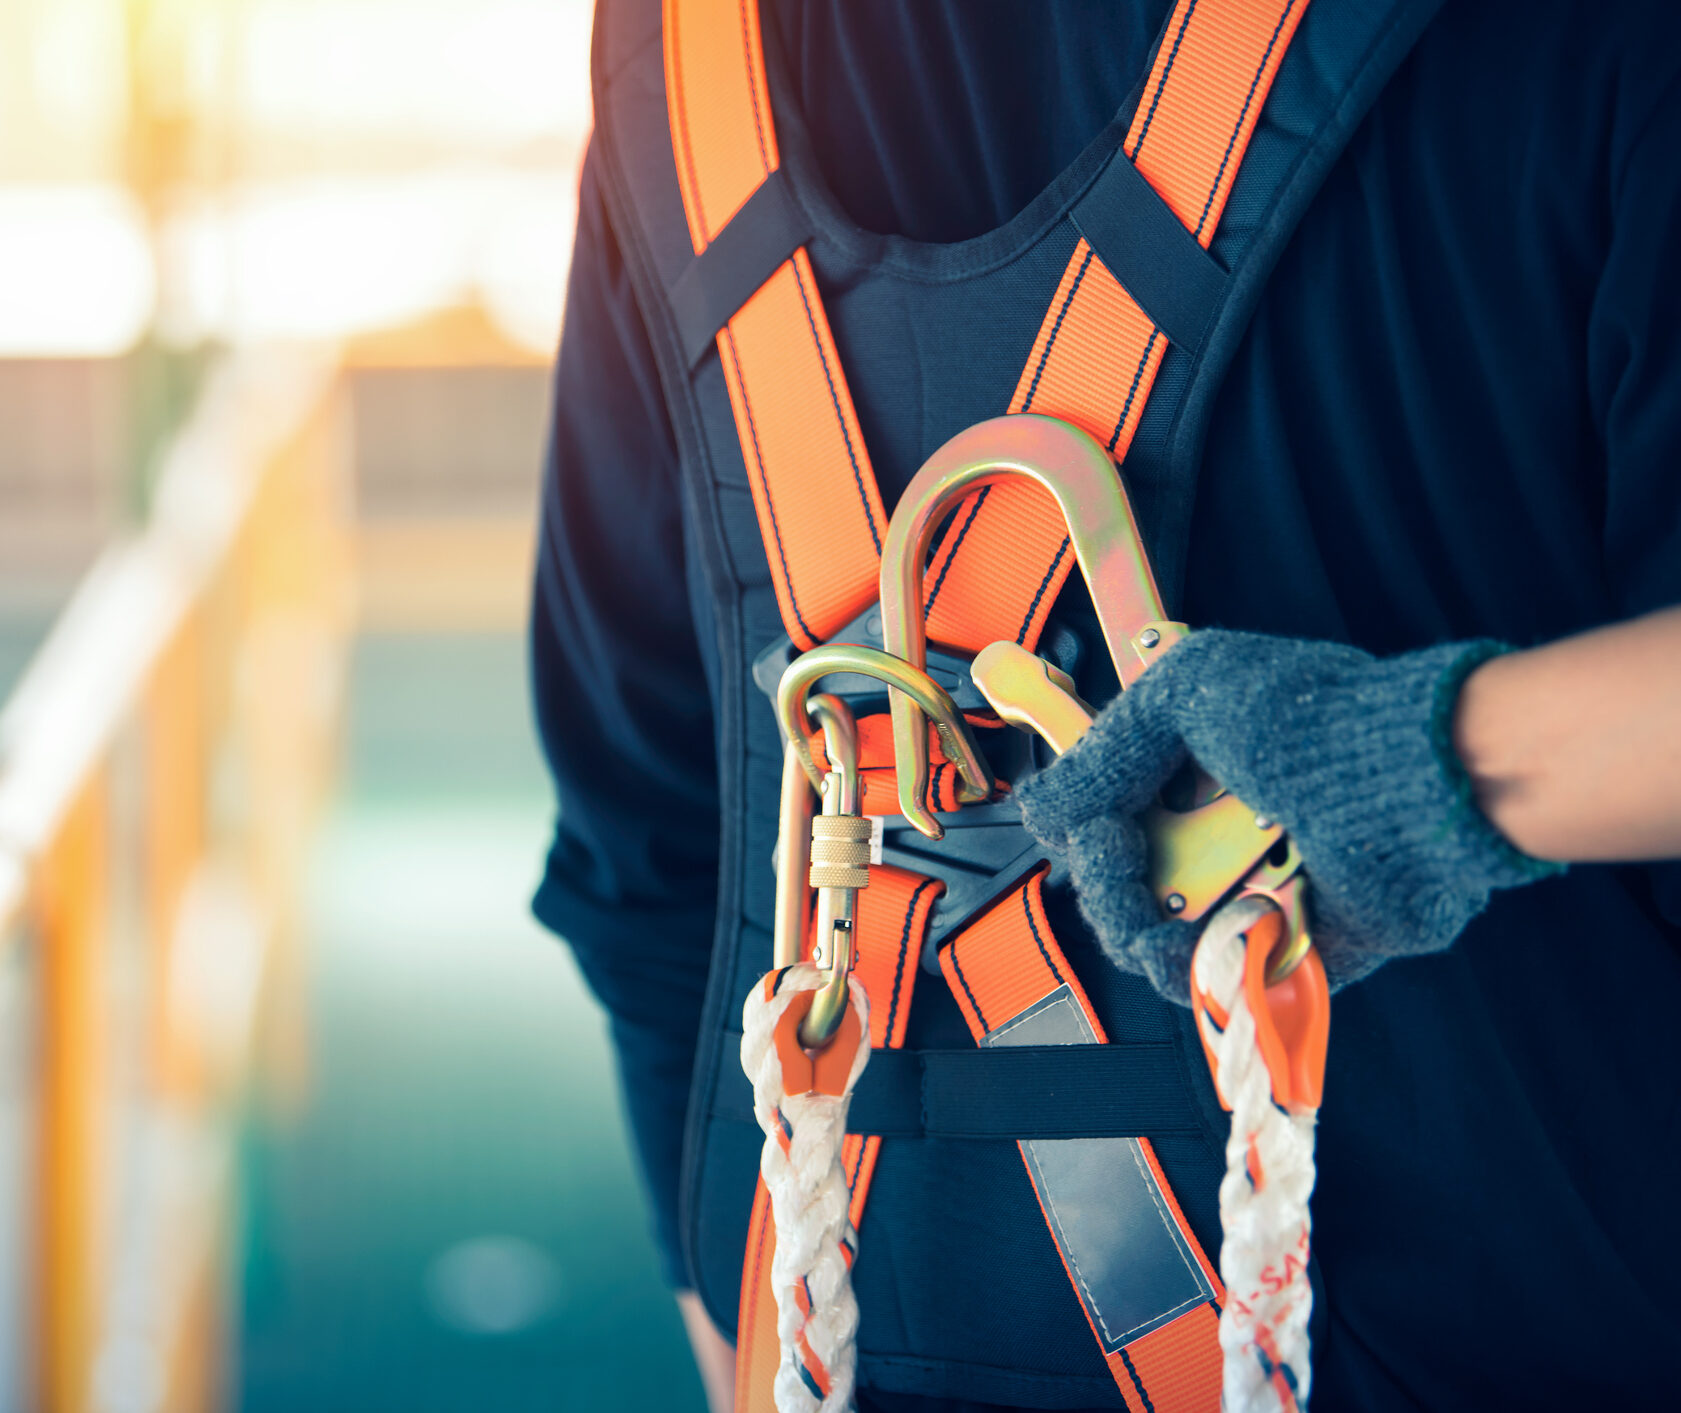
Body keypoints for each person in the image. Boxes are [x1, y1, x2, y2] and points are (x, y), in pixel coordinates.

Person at [530, 2, 1681, 1408]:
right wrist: (1457, 760)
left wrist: (762, 1347)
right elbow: (643, 833)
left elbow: (640, 838)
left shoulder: (683, 58)